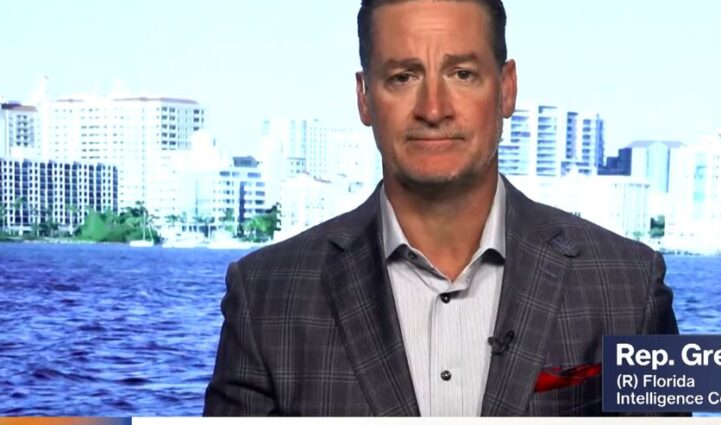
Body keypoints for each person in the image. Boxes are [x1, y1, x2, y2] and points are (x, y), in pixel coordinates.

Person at [204, 0, 680, 416]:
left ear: (507, 88)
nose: (433, 109)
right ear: (364, 97)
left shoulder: (632, 286)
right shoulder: (264, 296)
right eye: (403, 77)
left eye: (462, 74)